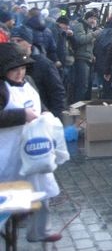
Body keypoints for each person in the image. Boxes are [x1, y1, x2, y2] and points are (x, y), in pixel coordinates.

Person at [0, 43, 62, 243]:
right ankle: (8, 233)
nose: (20, 73)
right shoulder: (2, 88)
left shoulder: (29, 82)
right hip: (8, 152)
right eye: (14, 70)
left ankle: (39, 231)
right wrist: (21, 115)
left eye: (22, 68)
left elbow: (38, 104)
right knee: (9, 195)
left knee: (41, 191)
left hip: (34, 151)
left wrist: (45, 113)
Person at [10, 25, 66, 120]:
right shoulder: (8, 64)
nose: (15, 44)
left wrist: (54, 118)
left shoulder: (44, 64)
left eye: (19, 41)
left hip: (42, 119)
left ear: (29, 44)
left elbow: (57, 92)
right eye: (12, 41)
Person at [71, 10, 100, 102]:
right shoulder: (80, 25)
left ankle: (86, 107)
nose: (93, 21)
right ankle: (78, 106)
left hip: (89, 59)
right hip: (81, 58)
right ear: (86, 18)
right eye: (91, 18)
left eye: (95, 19)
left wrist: (92, 55)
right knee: (83, 85)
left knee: (89, 85)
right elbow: (80, 39)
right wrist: (93, 34)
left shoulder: (90, 28)